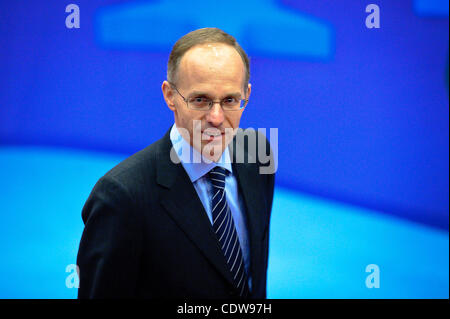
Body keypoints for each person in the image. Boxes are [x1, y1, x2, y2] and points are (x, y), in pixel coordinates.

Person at [76, 27, 275, 299]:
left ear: (247, 95)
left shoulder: (257, 155)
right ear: (170, 95)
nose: (216, 118)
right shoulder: (121, 197)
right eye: (200, 100)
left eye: (230, 100)